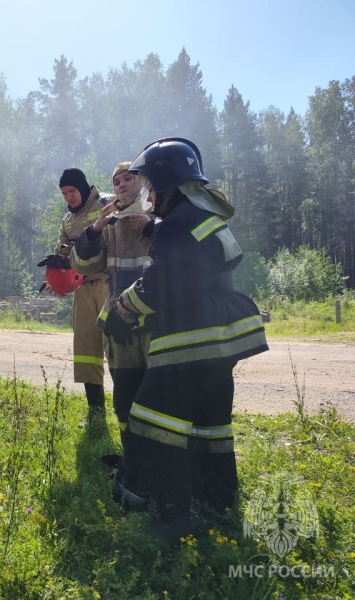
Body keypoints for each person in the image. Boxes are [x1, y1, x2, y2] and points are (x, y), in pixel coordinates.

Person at [104, 138, 268, 535]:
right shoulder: (206, 216)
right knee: (210, 425)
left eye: (152, 187)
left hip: (187, 343)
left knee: (151, 423)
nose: (150, 195)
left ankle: (167, 509)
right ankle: (217, 496)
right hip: (219, 344)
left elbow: (160, 284)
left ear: (165, 182)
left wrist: (121, 309)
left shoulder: (175, 225)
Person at [72, 161, 154, 442]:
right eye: (116, 182)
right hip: (120, 315)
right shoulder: (110, 222)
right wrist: (94, 231)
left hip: (155, 314)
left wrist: (151, 227)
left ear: (142, 183)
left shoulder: (158, 212)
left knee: (155, 384)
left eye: (128, 179)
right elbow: (83, 266)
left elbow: (179, 253)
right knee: (125, 385)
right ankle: (131, 453)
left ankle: (159, 453)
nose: (121, 186)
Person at [38, 168, 111, 415]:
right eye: (63, 193)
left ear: (82, 187)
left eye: (72, 190)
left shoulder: (106, 204)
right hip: (83, 287)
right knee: (86, 345)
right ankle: (96, 410)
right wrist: (54, 278)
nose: (68, 197)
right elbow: (62, 255)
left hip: (109, 282)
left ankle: (128, 406)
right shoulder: (67, 222)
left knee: (116, 343)